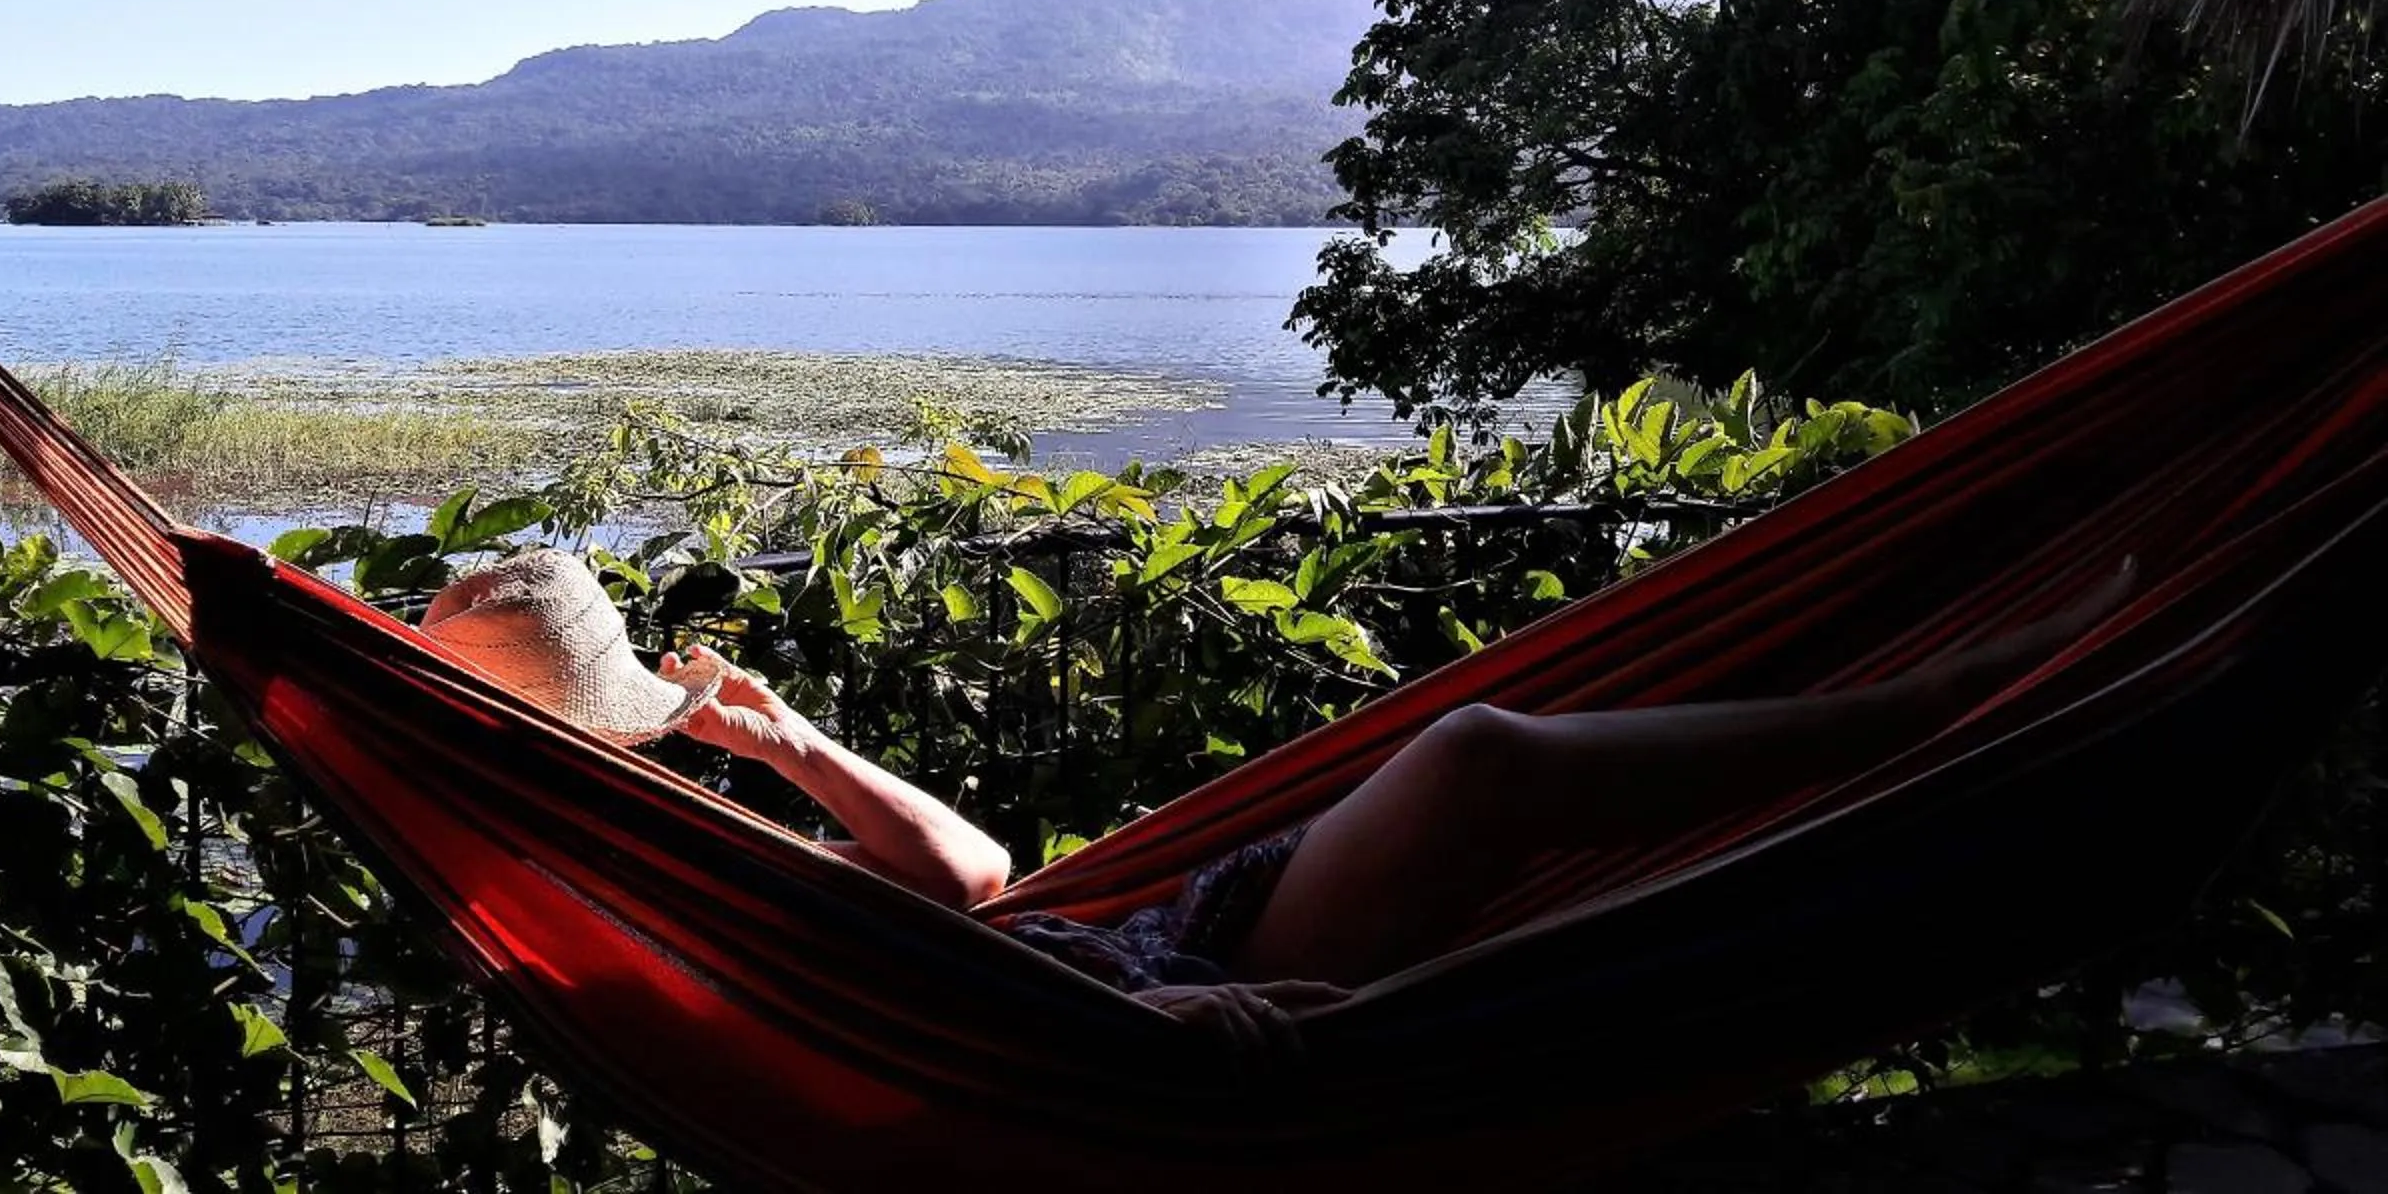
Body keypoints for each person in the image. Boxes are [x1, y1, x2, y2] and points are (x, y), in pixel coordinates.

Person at [424, 548, 2136, 1064]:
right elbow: (941, 1017)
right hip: (1145, 1018)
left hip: (1141, 942)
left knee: (1508, 754)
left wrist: (789, 751)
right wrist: (1181, 1028)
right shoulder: (627, 891)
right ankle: (1926, 714)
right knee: (1481, 761)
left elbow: (981, 877)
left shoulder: (669, 838)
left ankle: (1914, 708)